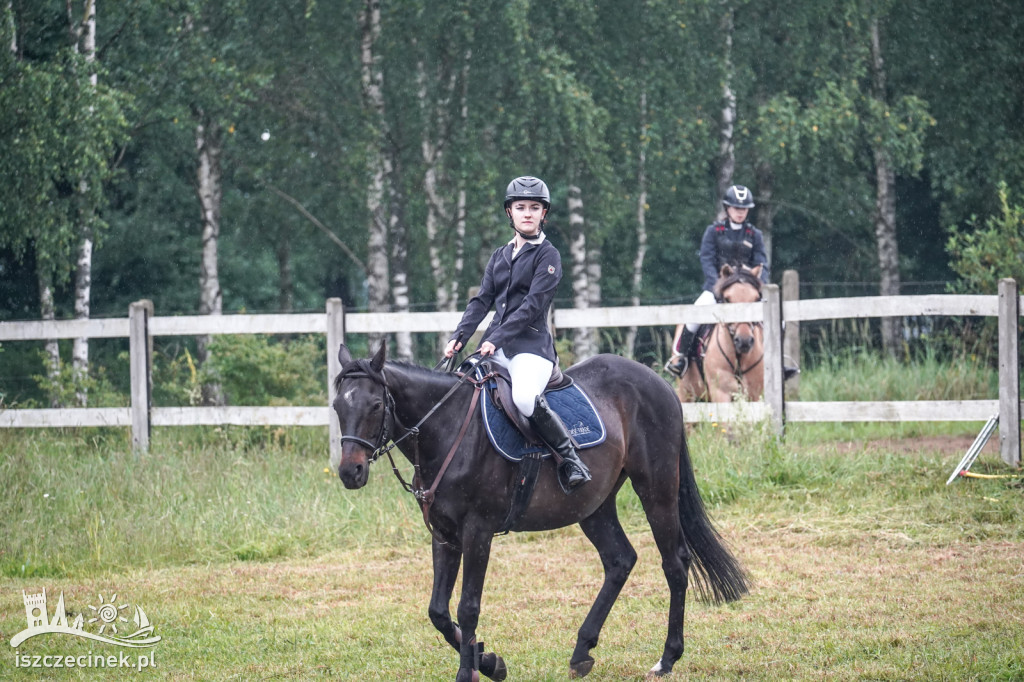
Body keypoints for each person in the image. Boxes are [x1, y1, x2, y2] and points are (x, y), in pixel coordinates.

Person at [445, 176, 591, 493]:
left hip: (532, 349)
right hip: (495, 347)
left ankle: (570, 460)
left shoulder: (548, 256)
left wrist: (494, 338)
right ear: (510, 213)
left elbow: (531, 306)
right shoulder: (500, 255)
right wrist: (459, 336)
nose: (527, 213)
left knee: (525, 398)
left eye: (534, 208)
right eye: (520, 207)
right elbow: (482, 300)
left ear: (543, 214)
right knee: (459, 386)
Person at [668, 184, 769, 376]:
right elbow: (706, 260)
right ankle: (682, 359)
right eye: (737, 208)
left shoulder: (755, 235)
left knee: (777, 319)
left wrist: (758, 286)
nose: (740, 212)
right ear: (728, 208)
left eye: (744, 209)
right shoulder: (713, 232)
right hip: (717, 289)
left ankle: (778, 363)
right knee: (694, 315)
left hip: (748, 293)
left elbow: (762, 263)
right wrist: (718, 286)